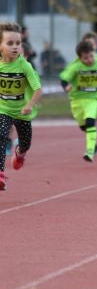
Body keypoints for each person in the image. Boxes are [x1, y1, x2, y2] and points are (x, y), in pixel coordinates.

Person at [0, 22, 41, 190]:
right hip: (3, 109)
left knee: (26, 143)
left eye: (18, 43)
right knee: (1, 135)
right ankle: (0, 174)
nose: (15, 47)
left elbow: (38, 89)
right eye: (10, 43)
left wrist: (30, 105)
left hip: (22, 111)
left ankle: (19, 153)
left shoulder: (25, 66)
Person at [60, 40, 97, 162]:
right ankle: (94, 141)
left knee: (90, 122)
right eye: (86, 58)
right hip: (77, 100)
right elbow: (64, 79)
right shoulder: (75, 67)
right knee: (83, 126)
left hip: (93, 98)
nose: (90, 60)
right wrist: (66, 87)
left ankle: (90, 151)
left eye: (91, 56)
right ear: (80, 58)